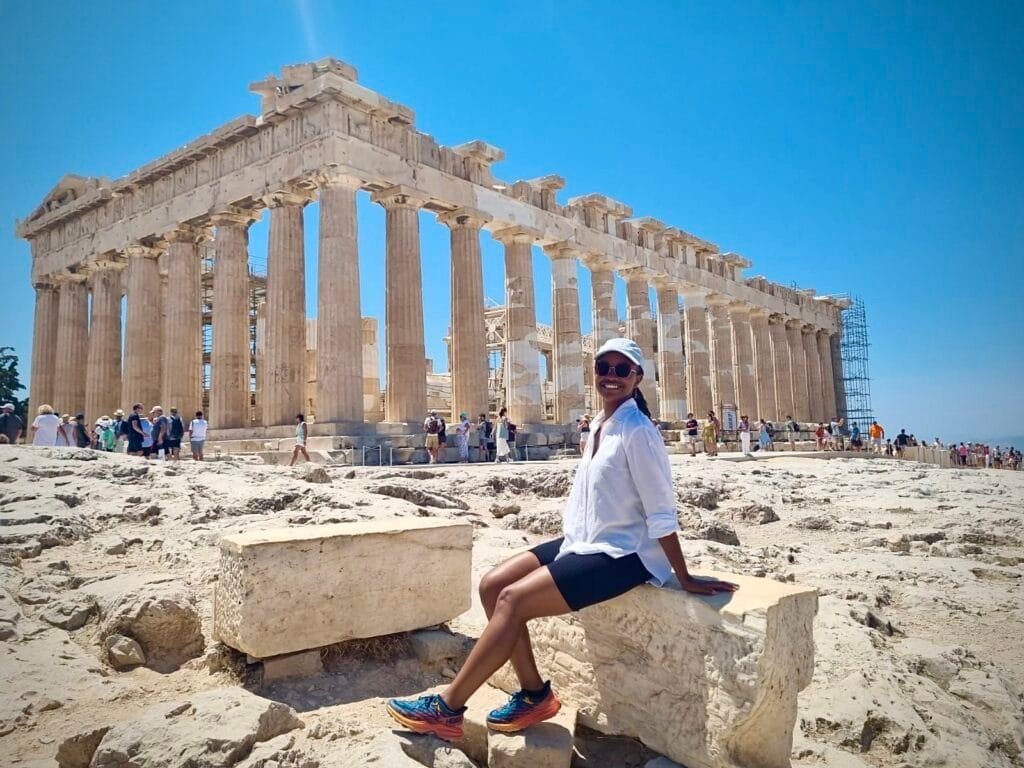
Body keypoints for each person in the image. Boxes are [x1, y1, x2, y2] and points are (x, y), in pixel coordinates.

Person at [385, 337, 737, 742]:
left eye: (623, 370)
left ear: (638, 378)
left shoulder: (639, 431)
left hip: (625, 553)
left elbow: (661, 510)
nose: (611, 376)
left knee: (512, 600)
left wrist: (683, 575)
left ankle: (448, 708)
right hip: (584, 539)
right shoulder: (601, 425)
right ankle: (535, 695)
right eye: (604, 367)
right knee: (493, 584)